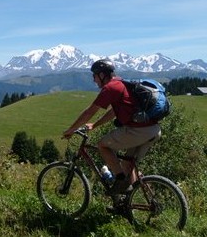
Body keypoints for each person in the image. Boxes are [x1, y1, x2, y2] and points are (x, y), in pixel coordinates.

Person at [63, 59, 161, 196]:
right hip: (153, 130)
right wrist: (95, 125)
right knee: (127, 165)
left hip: (138, 131)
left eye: (94, 76)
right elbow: (114, 112)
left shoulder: (110, 88)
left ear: (102, 75)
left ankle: (120, 181)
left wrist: (71, 129)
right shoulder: (122, 83)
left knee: (102, 145)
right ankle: (130, 202)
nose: (93, 80)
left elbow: (90, 111)